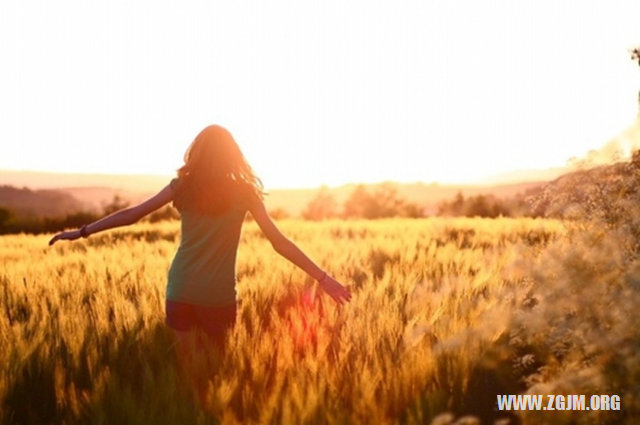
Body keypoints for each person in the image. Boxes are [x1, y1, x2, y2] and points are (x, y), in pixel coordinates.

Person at [48, 124, 351, 348]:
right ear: (233, 155)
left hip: (180, 289)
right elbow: (279, 242)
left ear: (198, 152)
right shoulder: (245, 192)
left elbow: (132, 214)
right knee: (215, 375)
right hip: (218, 295)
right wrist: (324, 279)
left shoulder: (182, 187)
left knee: (187, 374)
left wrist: (82, 232)